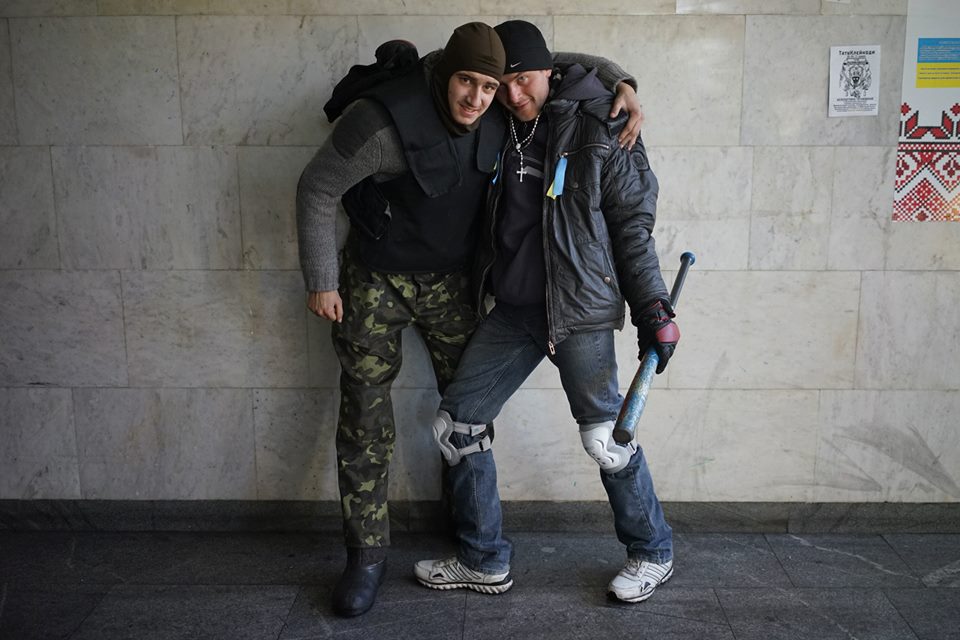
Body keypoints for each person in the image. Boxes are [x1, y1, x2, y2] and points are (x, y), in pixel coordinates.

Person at [297, 23, 645, 617]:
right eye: (469, 82)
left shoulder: (505, 101)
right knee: (365, 419)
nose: (482, 97)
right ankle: (367, 555)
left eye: (492, 85)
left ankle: (478, 547)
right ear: (443, 73)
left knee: (468, 422)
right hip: (375, 280)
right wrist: (322, 279)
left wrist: (624, 83)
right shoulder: (381, 123)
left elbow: (551, 64)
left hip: (455, 286)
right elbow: (317, 187)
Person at [413, 20, 678, 604]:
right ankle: (483, 560)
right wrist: (615, 74)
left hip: (578, 310)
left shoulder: (601, 123)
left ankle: (652, 552)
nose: (512, 93)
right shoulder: (493, 121)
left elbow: (632, 227)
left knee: (607, 439)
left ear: (550, 72)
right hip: (513, 311)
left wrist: (654, 308)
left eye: (525, 79)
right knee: (458, 427)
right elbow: (442, 62)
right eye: (501, 81)